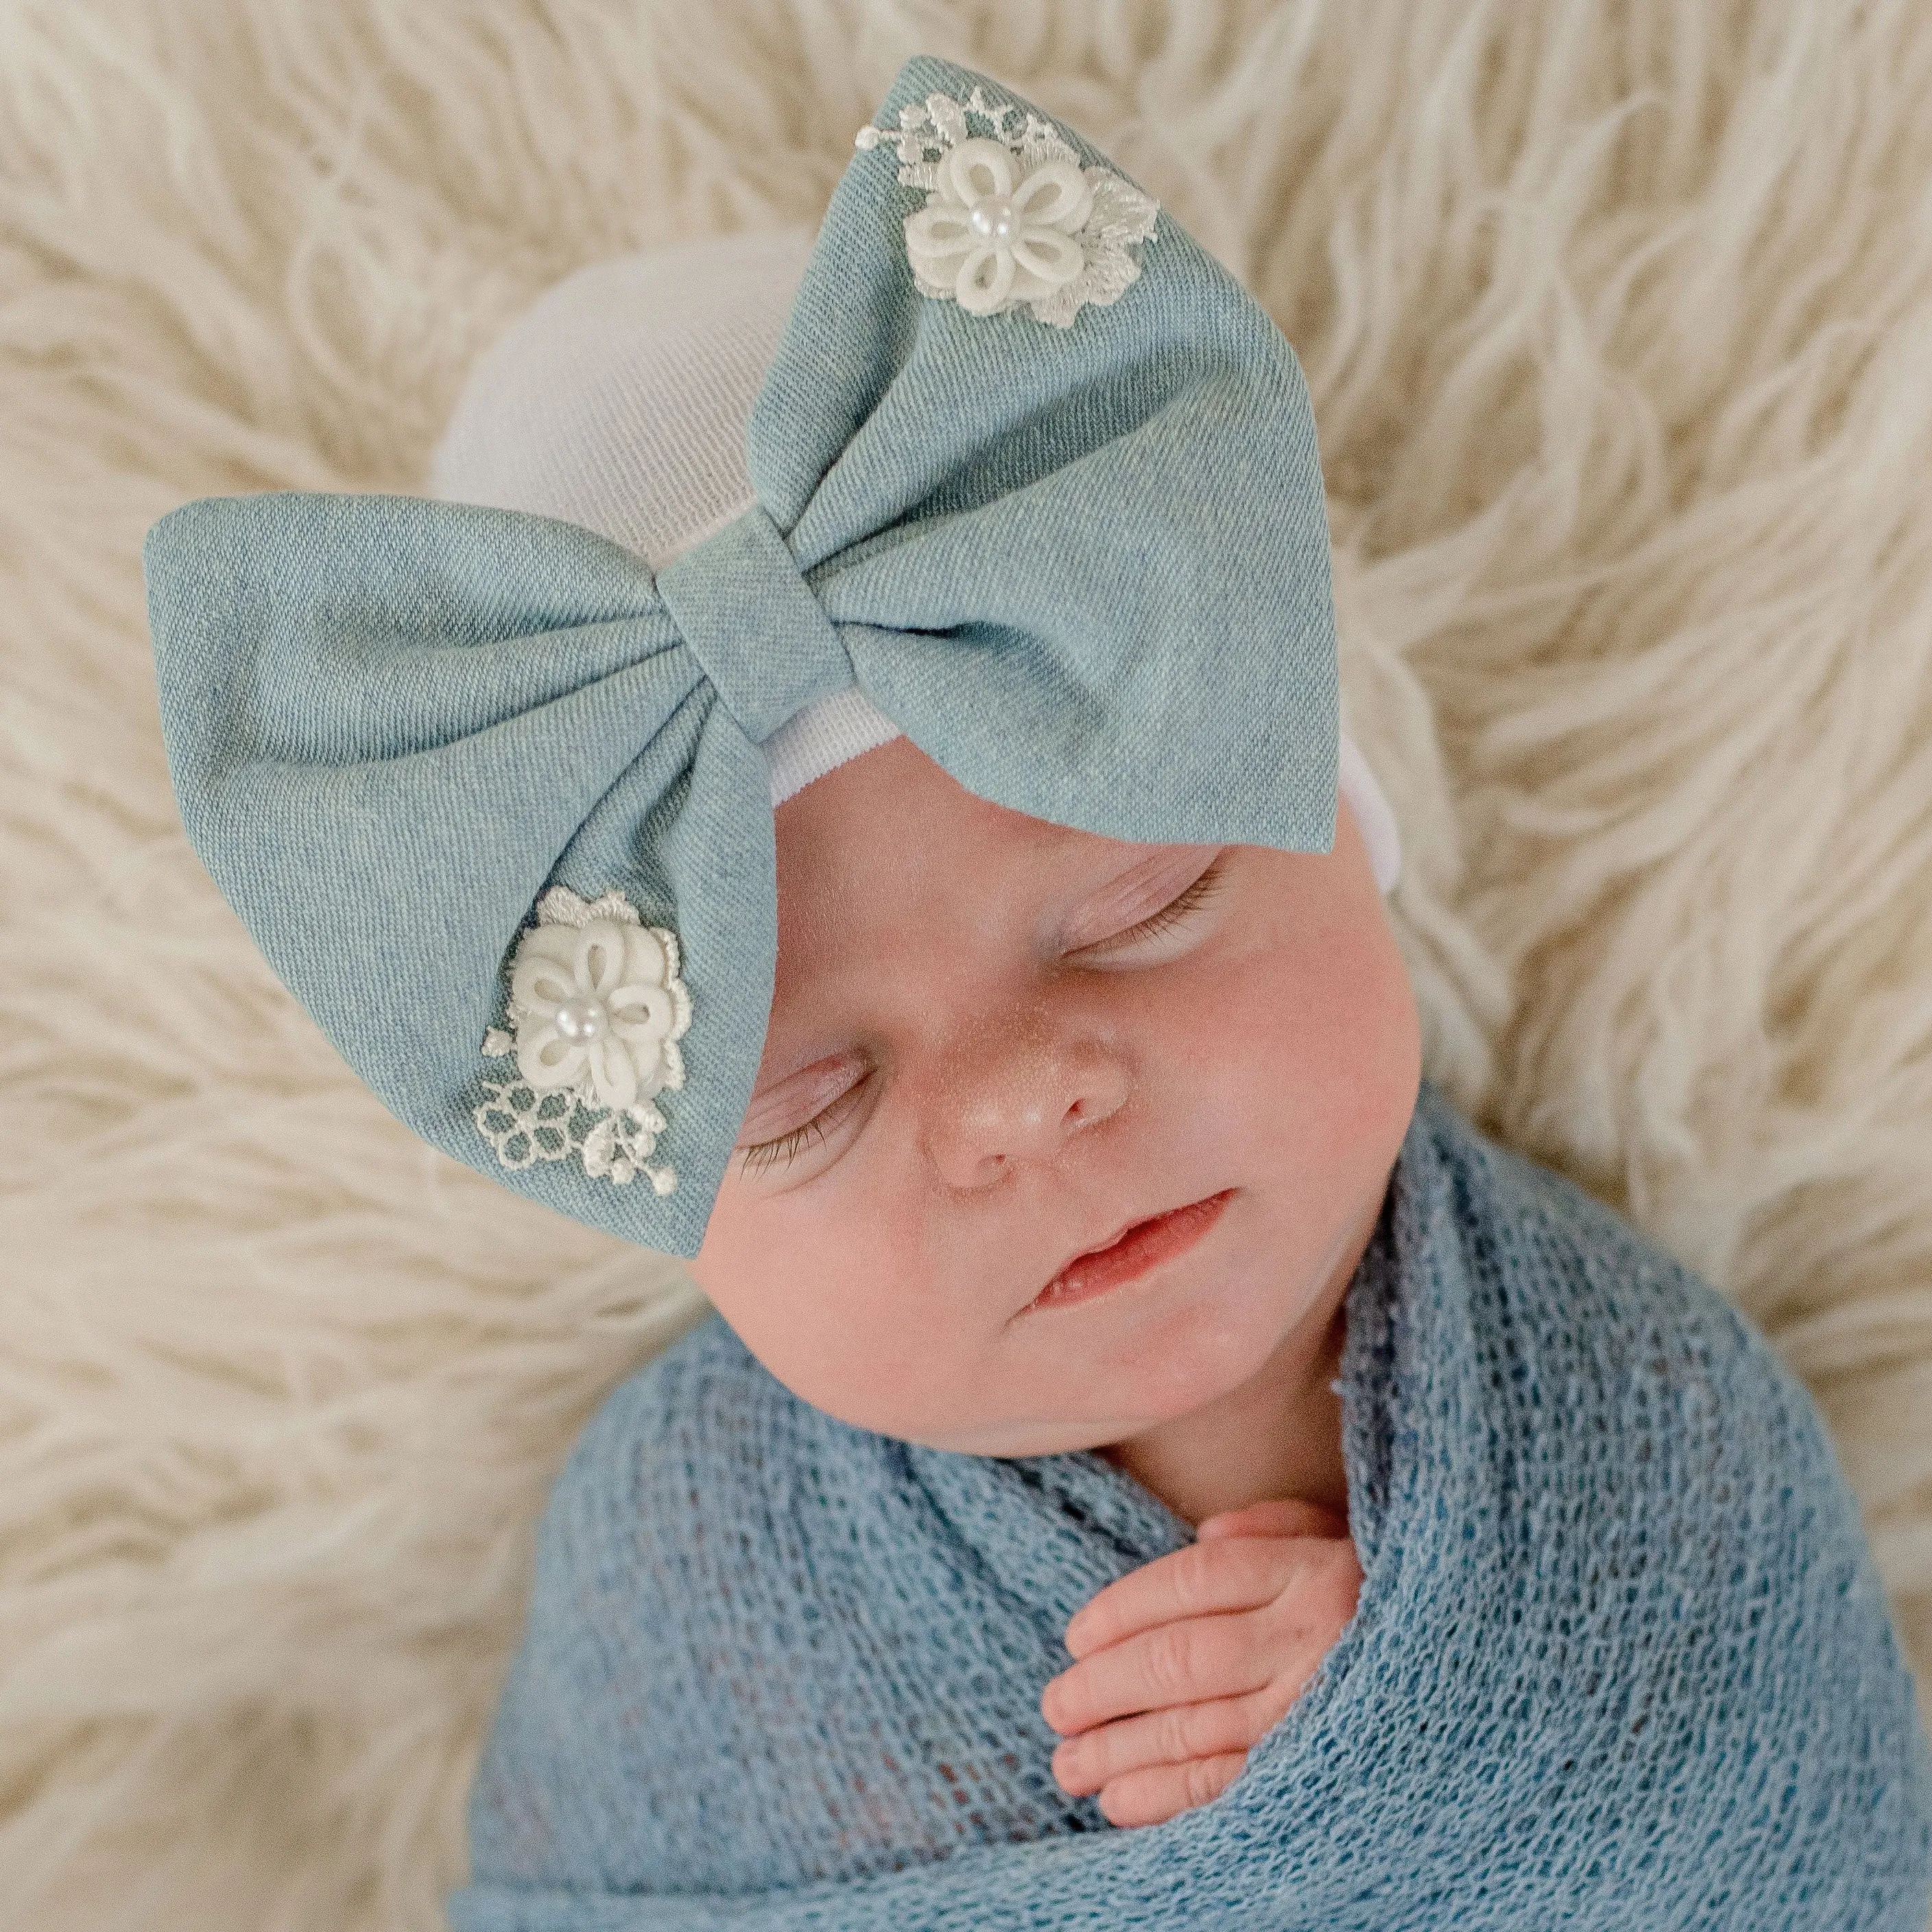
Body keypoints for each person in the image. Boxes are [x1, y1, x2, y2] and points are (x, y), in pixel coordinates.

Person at [143, 52, 1932, 1932]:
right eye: (809, 1099)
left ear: (1350, 841)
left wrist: (1449, 1724)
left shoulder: (1636, 1413)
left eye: (1142, 906)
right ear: (664, 1195)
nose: (1021, 1103)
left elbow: (1792, 1816)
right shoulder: (677, 1556)